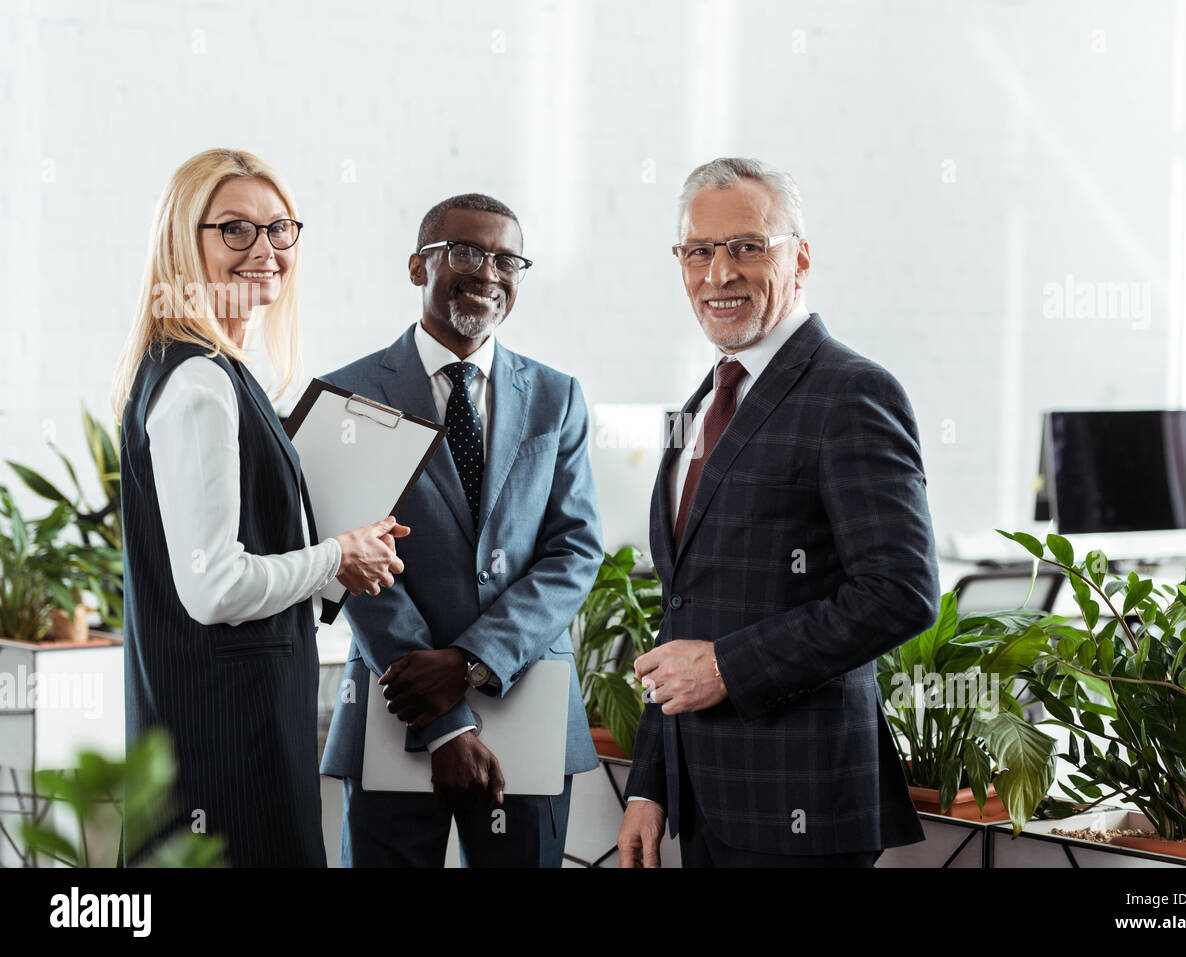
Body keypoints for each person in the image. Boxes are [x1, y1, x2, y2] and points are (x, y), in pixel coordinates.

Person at [617, 157, 940, 868]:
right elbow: (684, 611)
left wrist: (729, 667)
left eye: (747, 246)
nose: (719, 273)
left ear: (800, 257)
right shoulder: (698, 406)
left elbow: (901, 593)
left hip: (804, 805)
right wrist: (650, 784)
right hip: (704, 802)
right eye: (698, 250)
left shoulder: (852, 392)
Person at [111, 148, 408, 867]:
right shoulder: (201, 383)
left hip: (227, 725)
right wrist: (339, 554)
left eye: (280, 229)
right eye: (236, 230)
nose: (266, 250)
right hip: (227, 739)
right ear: (186, 241)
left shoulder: (205, 371)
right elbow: (215, 587)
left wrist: (337, 561)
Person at [319, 193, 602, 867]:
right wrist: (446, 723)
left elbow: (575, 550)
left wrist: (472, 660)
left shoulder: (557, 397)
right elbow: (358, 567)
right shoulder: (347, 395)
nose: (488, 272)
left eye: (507, 259)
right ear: (418, 266)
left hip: (526, 698)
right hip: (399, 703)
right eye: (466, 252)